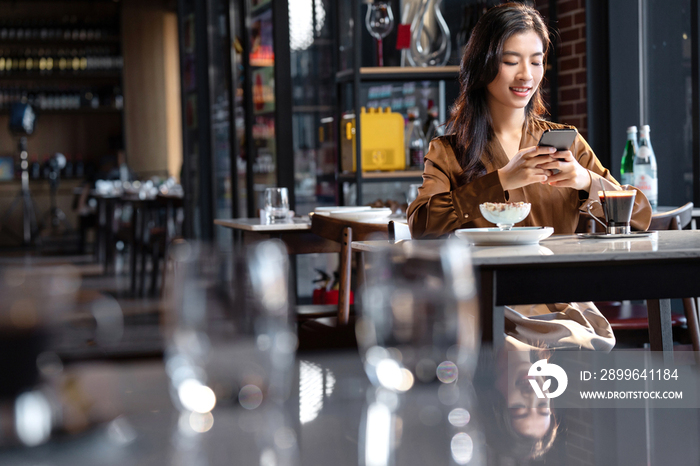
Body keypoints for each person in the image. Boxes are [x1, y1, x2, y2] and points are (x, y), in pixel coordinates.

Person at [406, 3, 652, 351]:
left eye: (536, 61)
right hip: (484, 305)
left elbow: (641, 215)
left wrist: (585, 181)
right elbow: (420, 224)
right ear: (484, 64)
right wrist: (501, 180)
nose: (526, 75)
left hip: (559, 302)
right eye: (511, 61)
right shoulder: (448, 151)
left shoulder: (566, 141)